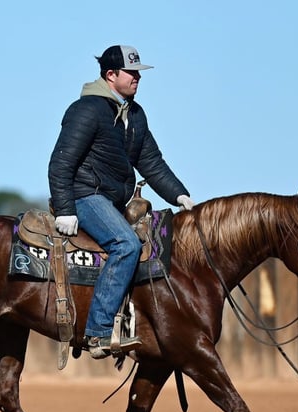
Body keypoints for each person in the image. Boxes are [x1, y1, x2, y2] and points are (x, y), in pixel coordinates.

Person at [48, 44, 195, 359]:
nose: (137, 78)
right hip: (86, 195)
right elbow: (61, 163)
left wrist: (180, 195)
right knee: (126, 244)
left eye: (138, 73)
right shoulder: (87, 110)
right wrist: (65, 209)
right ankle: (98, 333)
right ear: (111, 74)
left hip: (111, 200)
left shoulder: (135, 115)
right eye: (131, 73)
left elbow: (151, 162)